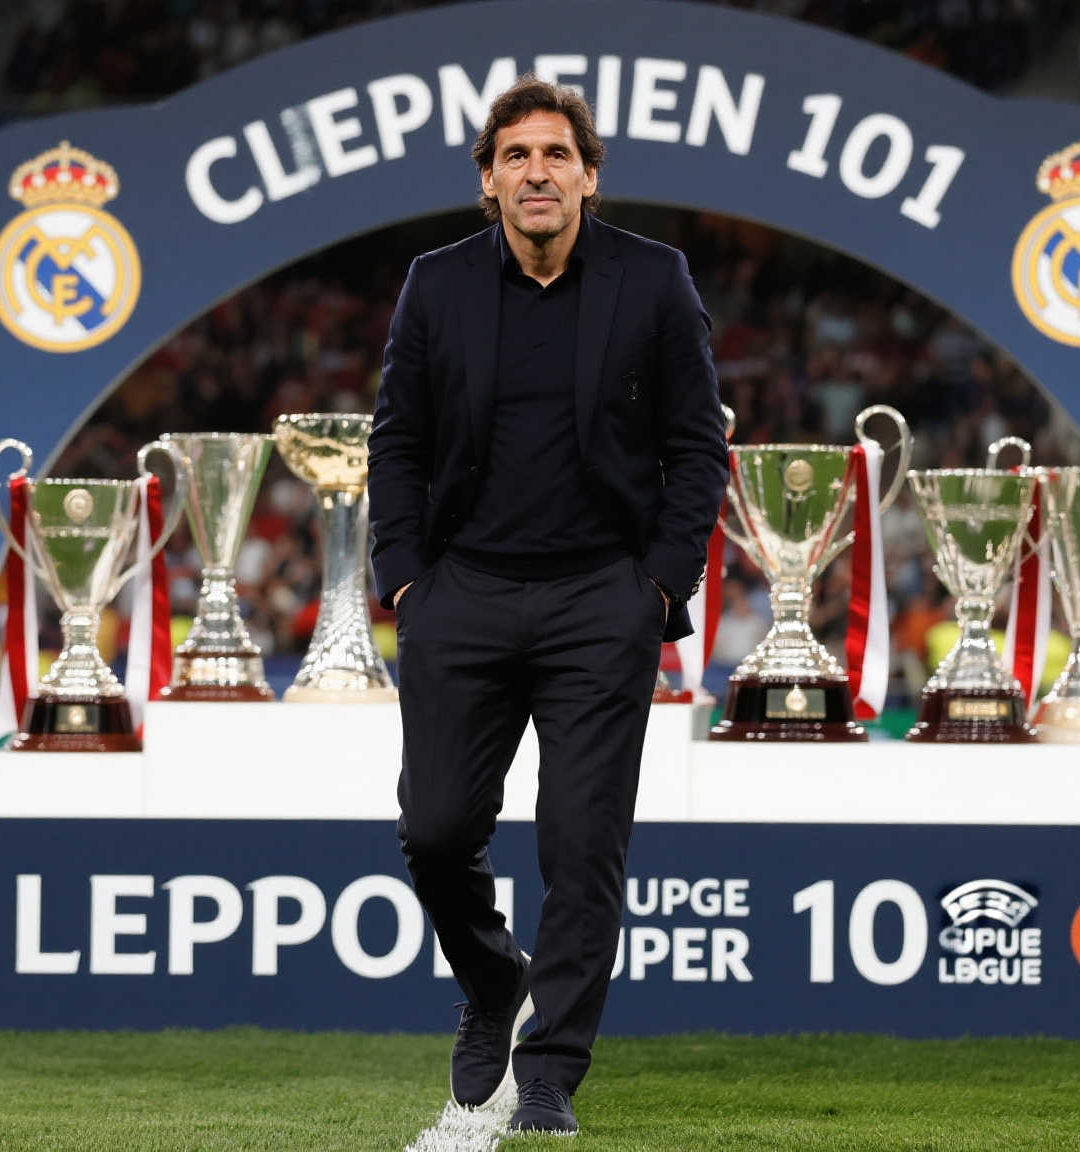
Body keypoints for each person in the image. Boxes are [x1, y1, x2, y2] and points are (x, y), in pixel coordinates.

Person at [366, 76, 726, 1135]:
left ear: (589, 176)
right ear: (487, 180)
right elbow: (397, 442)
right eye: (515, 155)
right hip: (461, 595)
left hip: (599, 601)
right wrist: (406, 579)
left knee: (581, 845)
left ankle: (550, 1070)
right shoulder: (435, 284)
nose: (536, 172)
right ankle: (491, 980)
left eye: (556, 154)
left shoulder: (652, 279)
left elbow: (697, 445)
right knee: (435, 831)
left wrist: (656, 587)